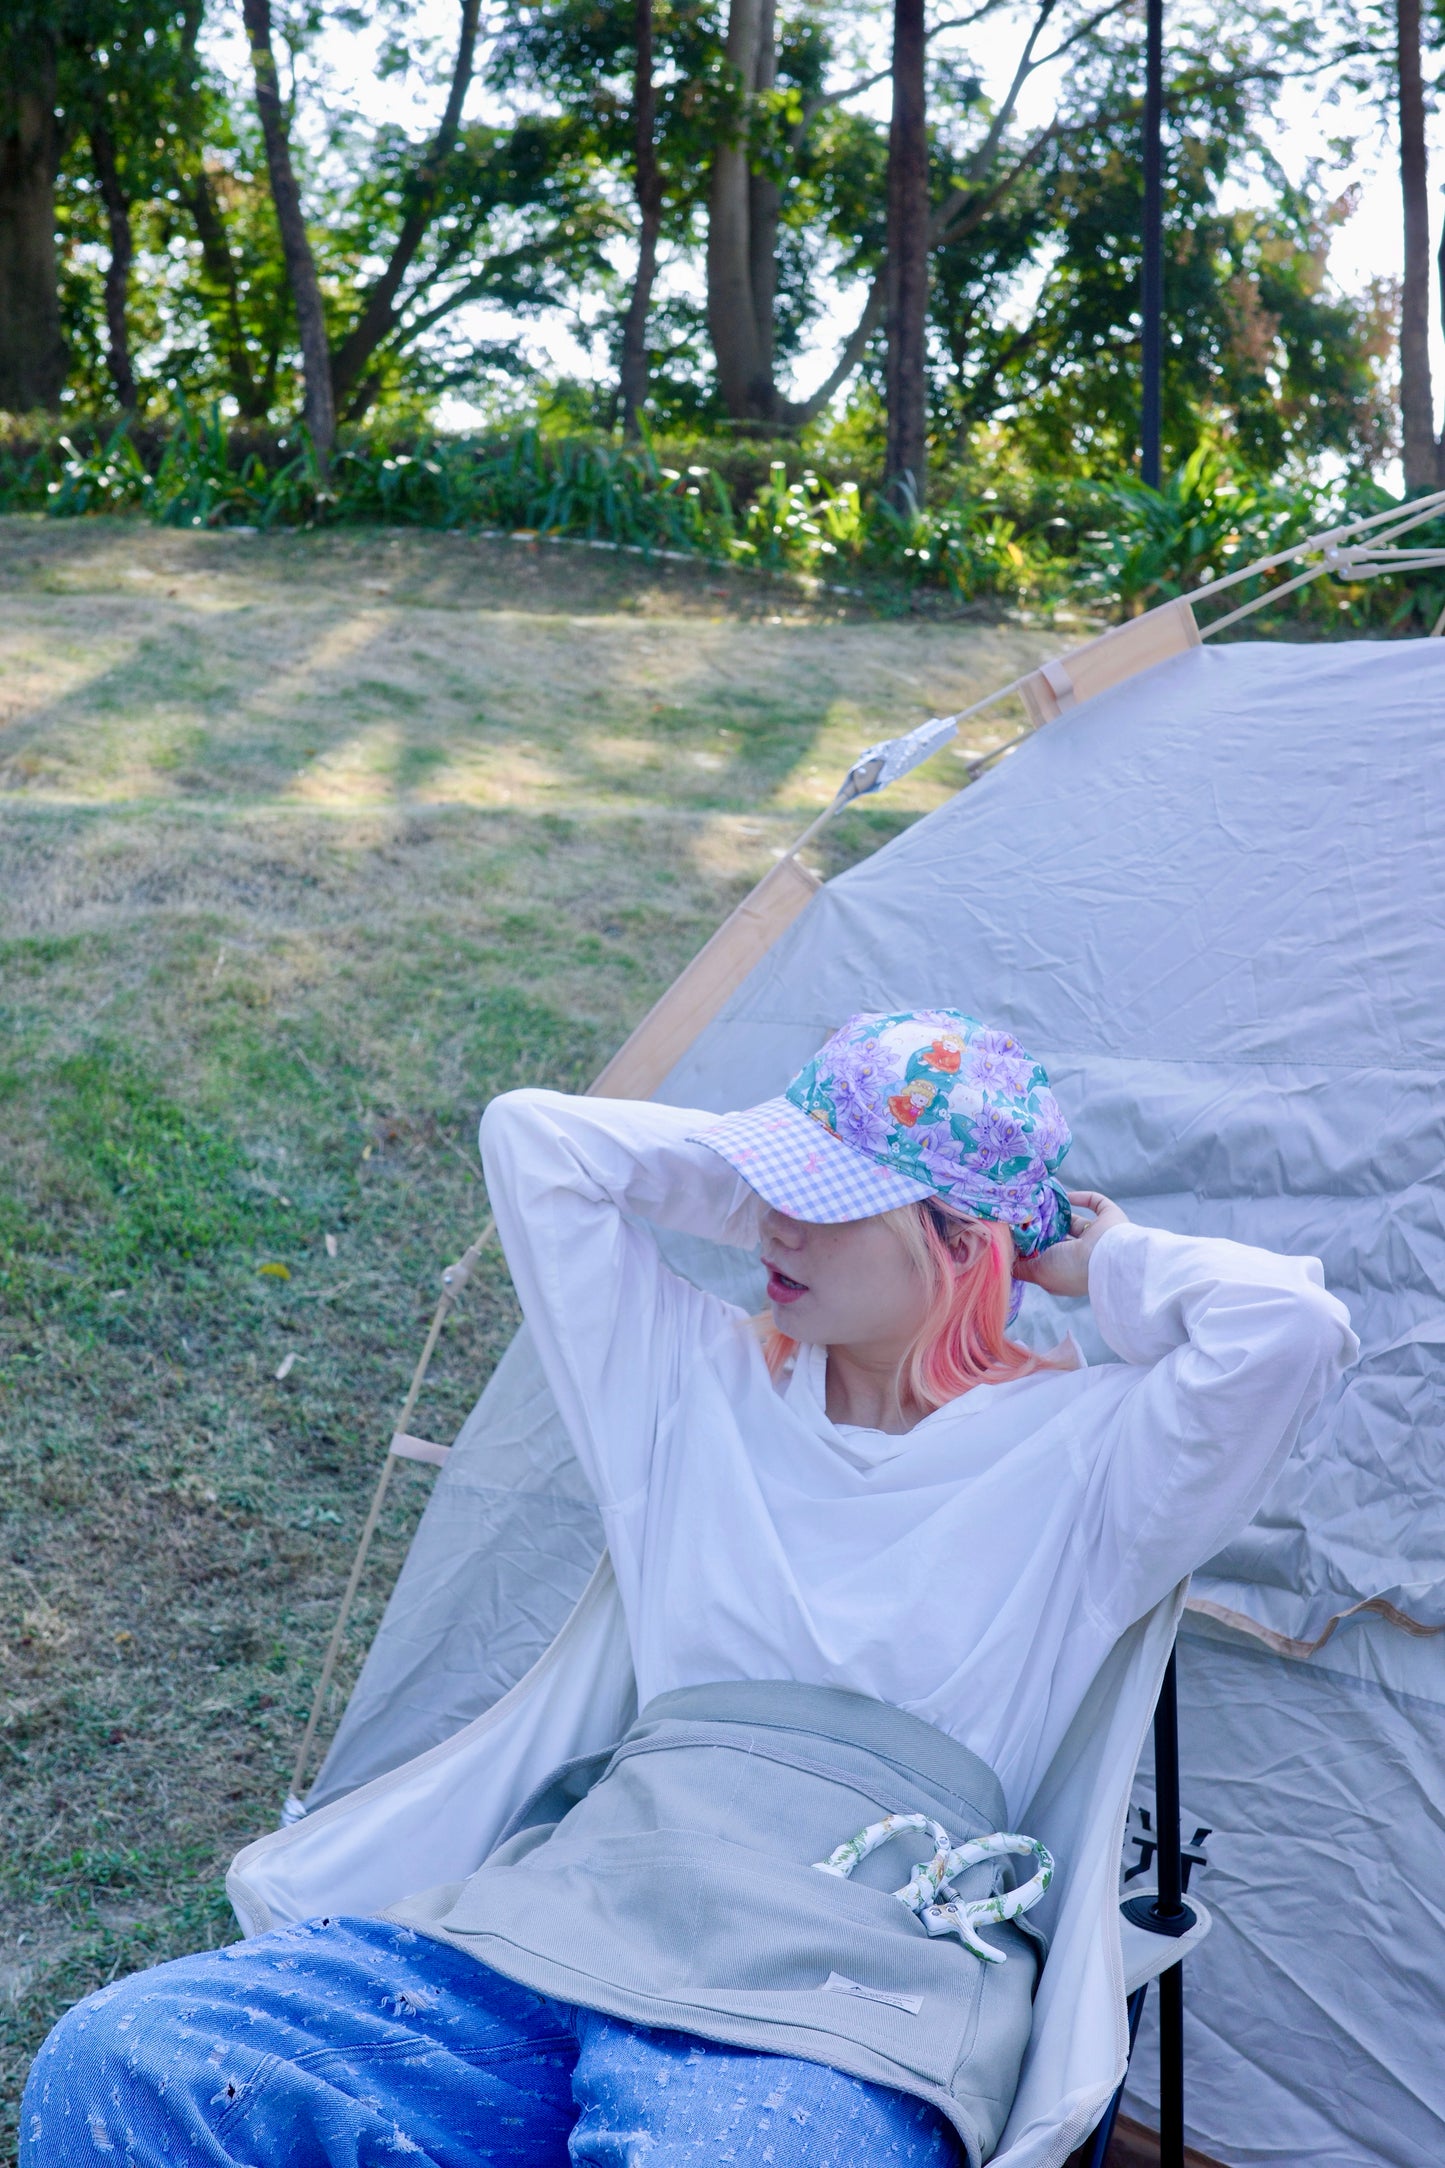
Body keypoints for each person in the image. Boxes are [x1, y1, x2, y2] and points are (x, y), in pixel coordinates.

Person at [21, 1010, 1356, 2168]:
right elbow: (536, 1142)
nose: (774, 1221)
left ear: (957, 1242)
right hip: (567, 1922)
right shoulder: (687, 1385)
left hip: (835, 2001)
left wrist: (1066, 1243)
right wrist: (783, 1193)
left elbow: (1284, 1332)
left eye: (824, 1199)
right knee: (129, 2056)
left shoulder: (1093, 1460)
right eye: (772, 1183)